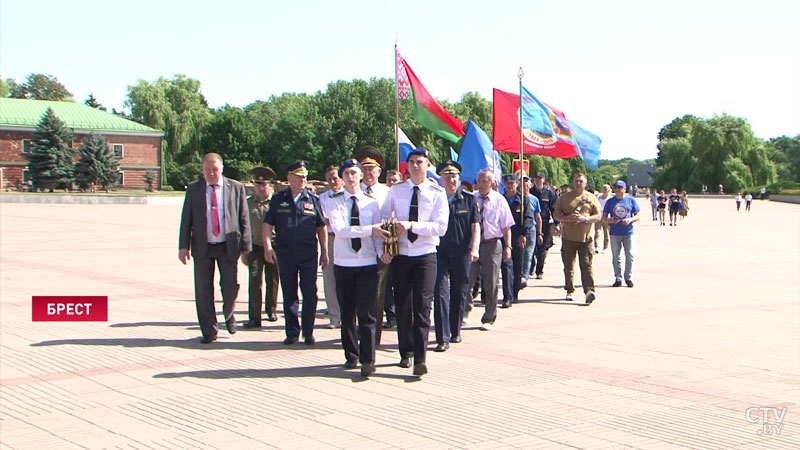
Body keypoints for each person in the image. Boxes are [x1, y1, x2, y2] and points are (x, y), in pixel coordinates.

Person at [378, 148, 448, 376]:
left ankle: (420, 358)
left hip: (425, 255)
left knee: (423, 305)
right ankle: (405, 352)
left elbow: (440, 227)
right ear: (406, 166)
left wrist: (410, 225)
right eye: (411, 162)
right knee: (403, 305)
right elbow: (383, 220)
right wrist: (385, 249)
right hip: (401, 255)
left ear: (428, 165)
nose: (415, 166)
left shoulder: (437, 192)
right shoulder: (396, 191)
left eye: (420, 162)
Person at [178, 153, 251, 344]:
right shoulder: (194, 190)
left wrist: (246, 245)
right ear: (202, 170)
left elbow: (244, 218)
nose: (211, 173)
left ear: (222, 169)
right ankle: (209, 330)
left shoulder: (235, 187)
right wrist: (183, 246)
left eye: (215, 170)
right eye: (208, 170)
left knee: (229, 286)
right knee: (203, 290)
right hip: (203, 246)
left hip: (228, 246)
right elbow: (186, 219)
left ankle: (229, 312)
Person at [325, 159, 384, 377]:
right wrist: (370, 229)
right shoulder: (334, 201)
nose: (351, 177)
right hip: (344, 263)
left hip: (367, 262)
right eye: (346, 173)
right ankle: (351, 354)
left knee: (368, 313)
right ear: (341, 177)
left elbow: (378, 237)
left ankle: (368, 359)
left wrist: (382, 253)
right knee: (347, 313)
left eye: (354, 173)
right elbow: (340, 230)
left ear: (361, 176)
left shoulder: (371, 202)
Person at [263, 161, 328, 346]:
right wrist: (268, 246)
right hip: (286, 253)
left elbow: (321, 227)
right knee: (289, 294)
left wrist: (324, 252)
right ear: (289, 178)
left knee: (310, 293)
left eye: (304, 177)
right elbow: (268, 224)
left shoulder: (313, 200)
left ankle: (308, 332)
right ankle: (292, 332)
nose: (302, 180)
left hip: (308, 253)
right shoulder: (278, 199)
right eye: (299, 177)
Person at [432, 160, 480, 351]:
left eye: (454, 176)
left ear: (459, 179)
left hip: (462, 253)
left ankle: (455, 330)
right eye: (447, 176)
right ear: (441, 179)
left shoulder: (469, 199)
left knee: (459, 292)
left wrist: (475, 248)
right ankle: (442, 337)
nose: (451, 179)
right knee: (440, 292)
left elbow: (475, 225)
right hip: (439, 252)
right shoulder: (436, 199)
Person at [467, 168, 514, 330]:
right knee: (467, 280)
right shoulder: (471, 198)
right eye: (479, 181)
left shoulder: (499, 200)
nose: (481, 184)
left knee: (491, 282)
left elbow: (506, 226)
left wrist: (508, 246)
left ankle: (489, 317)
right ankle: (465, 310)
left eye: (484, 181)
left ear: (492, 183)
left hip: (492, 244)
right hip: (473, 245)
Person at [355, 146, 393, 337]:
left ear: (379, 171)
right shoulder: (353, 193)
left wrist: (388, 250)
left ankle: (373, 336)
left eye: (372, 169)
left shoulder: (387, 193)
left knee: (377, 295)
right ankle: (358, 332)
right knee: (357, 295)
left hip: (380, 251)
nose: (368, 173)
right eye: (365, 169)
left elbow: (390, 223)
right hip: (357, 251)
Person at [552, 173, 602, 304]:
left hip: (586, 238)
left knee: (586, 265)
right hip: (568, 237)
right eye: (576, 181)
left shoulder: (591, 198)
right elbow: (556, 214)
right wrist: (566, 219)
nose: (578, 183)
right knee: (568, 265)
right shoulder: (564, 197)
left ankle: (589, 291)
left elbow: (598, 216)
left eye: (581, 181)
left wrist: (585, 219)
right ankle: (569, 289)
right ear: (572, 182)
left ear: (585, 183)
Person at [242, 166, 280, 329]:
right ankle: (254, 317)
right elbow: (242, 226)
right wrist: (243, 249)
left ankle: (271, 310)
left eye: (264, 185)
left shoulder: (277, 203)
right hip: (255, 246)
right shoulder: (248, 203)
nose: (261, 188)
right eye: (258, 184)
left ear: (270, 186)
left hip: (274, 246)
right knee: (254, 279)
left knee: (272, 279)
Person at [500, 174, 535, 308]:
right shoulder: (501, 199)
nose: (510, 186)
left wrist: (523, 233)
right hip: (503, 236)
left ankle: (515, 293)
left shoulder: (523, 200)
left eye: (512, 183)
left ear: (516, 184)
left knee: (517, 266)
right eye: (507, 183)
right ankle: (507, 296)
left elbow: (528, 217)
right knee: (506, 266)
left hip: (517, 236)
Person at [319, 166, 344, 329]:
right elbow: (321, 221)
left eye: (335, 177)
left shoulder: (349, 195)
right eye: (330, 179)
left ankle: (349, 315)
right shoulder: (322, 198)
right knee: (329, 279)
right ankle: (335, 317)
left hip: (346, 238)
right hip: (330, 238)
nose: (333, 181)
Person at [603, 180, 640, 288]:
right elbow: (604, 217)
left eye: (620, 187)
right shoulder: (610, 201)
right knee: (616, 256)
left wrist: (630, 220)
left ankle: (628, 277)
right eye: (616, 187)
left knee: (630, 255)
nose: (617, 190)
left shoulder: (630, 200)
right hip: (614, 232)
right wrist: (610, 220)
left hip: (628, 232)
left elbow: (638, 215)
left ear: (624, 189)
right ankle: (618, 278)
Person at [530, 172, 557, 280]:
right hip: (532, 222)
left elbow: (553, 208)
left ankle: (539, 271)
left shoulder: (549, 193)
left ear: (543, 180)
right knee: (531, 248)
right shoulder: (531, 192)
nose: (538, 180)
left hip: (545, 222)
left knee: (542, 248)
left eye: (540, 178)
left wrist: (557, 223)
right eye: (536, 178)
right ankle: (530, 267)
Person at [520, 176, 543, 288]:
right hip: (519, 228)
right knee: (519, 253)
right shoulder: (516, 198)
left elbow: (538, 217)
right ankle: (518, 274)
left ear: (530, 185)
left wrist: (539, 233)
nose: (524, 185)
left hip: (531, 229)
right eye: (522, 183)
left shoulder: (534, 199)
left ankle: (524, 276)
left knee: (528, 254)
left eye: (527, 183)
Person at [594, 184, 612, 253]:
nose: (605, 190)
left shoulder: (610, 199)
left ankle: (605, 248)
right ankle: (597, 247)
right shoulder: (599, 197)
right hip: (599, 217)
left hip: (607, 217)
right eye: (604, 189)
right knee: (597, 232)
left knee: (606, 233)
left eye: (606, 189)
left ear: (609, 190)